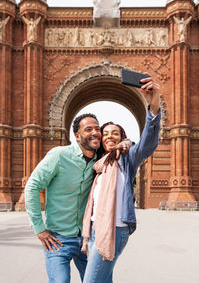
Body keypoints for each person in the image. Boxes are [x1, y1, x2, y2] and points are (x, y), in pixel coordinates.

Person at [25, 113, 131, 283]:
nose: (95, 133)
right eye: (88, 129)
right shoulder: (59, 155)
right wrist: (39, 229)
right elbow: (32, 186)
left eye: (97, 129)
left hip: (88, 239)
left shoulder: (100, 160)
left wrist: (126, 143)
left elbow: (119, 147)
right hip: (58, 239)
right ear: (77, 135)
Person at [81, 77, 161, 283]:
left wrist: (154, 103)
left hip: (114, 232)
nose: (110, 137)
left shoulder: (127, 158)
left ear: (121, 137)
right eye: (105, 133)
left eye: (115, 134)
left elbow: (147, 143)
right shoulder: (99, 165)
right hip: (94, 231)